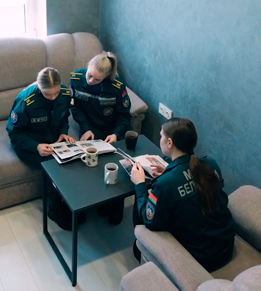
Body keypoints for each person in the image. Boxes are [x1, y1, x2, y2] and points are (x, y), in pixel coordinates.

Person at [130, 117, 235, 272]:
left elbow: (150, 221)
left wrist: (139, 184)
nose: (160, 138)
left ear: (170, 143)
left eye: (161, 136)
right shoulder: (210, 165)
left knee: (142, 209)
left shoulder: (165, 184)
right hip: (226, 246)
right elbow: (193, 187)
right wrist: (169, 172)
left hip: (202, 257)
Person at [7, 67, 84, 230]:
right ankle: (54, 209)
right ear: (39, 87)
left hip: (53, 139)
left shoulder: (65, 93)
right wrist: (36, 147)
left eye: (56, 93)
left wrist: (63, 133)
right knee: (54, 166)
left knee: (75, 159)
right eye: (48, 94)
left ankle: (72, 203)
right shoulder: (25, 101)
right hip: (29, 143)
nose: (53, 97)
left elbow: (64, 117)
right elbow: (14, 134)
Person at [69, 52, 132, 224]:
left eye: (97, 79)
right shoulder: (75, 78)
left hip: (112, 129)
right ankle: (92, 202)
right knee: (89, 166)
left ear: (106, 77)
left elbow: (124, 116)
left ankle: (115, 206)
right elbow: (75, 108)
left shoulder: (117, 86)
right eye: (89, 75)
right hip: (90, 127)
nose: (90, 81)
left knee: (114, 167)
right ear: (87, 66)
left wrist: (116, 134)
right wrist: (86, 128)